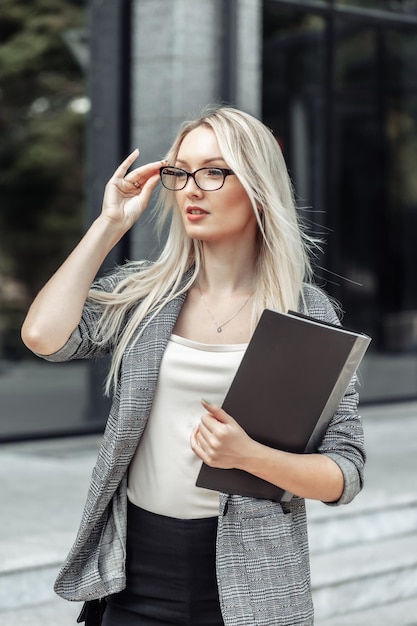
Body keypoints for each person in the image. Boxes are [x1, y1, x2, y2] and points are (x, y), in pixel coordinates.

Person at [21, 105, 365, 626]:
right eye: (180, 172)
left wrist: (249, 456)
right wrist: (109, 223)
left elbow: (345, 473)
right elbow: (44, 337)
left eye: (213, 171)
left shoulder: (305, 310)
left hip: (250, 582)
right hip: (134, 572)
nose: (191, 189)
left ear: (255, 185)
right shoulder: (146, 293)